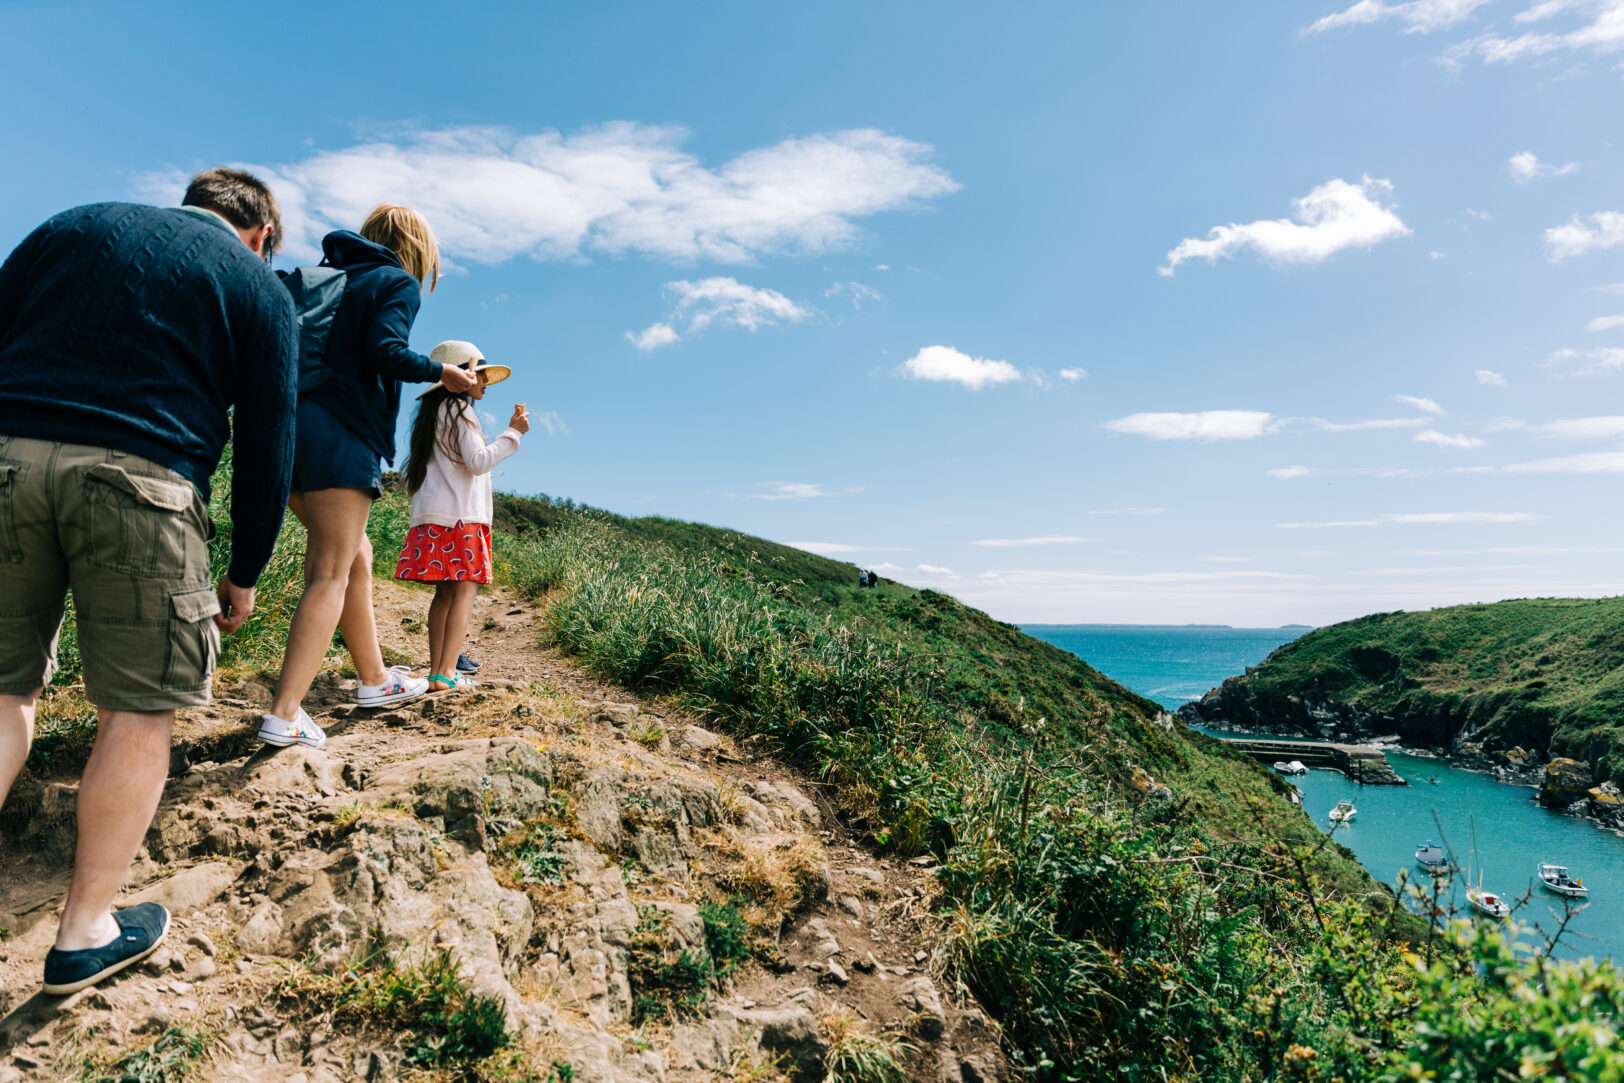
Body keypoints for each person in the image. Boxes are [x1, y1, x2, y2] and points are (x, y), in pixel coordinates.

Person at [0, 169, 297, 993]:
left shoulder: (70, 224)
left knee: (0, 696)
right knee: (137, 712)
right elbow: (272, 443)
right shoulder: (257, 285)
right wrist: (245, 571)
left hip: (6, 459)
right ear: (263, 232)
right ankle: (85, 930)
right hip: (145, 480)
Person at [259, 206, 476, 750]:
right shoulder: (395, 281)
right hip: (340, 432)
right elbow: (386, 351)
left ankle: (375, 680)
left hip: (287, 431)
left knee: (356, 555)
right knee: (329, 570)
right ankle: (284, 714)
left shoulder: (330, 278)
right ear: (416, 249)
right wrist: (441, 372)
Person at [395, 341, 528, 690]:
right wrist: (513, 433)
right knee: (465, 592)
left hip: (433, 515)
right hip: (461, 517)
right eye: (479, 374)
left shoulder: (433, 413)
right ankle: (447, 673)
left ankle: (438, 672)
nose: (484, 381)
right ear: (462, 377)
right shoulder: (460, 410)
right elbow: (479, 461)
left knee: (444, 595)